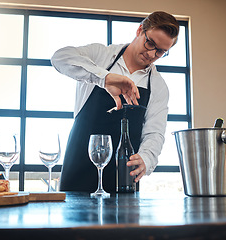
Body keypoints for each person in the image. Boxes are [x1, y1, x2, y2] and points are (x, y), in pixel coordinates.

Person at [51, 11, 180, 193]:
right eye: (150, 43)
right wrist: (105, 78)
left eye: (160, 51)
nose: (151, 54)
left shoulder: (158, 86)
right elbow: (59, 57)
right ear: (140, 30)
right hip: (78, 171)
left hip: (124, 179)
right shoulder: (101, 56)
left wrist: (146, 158)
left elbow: (155, 133)